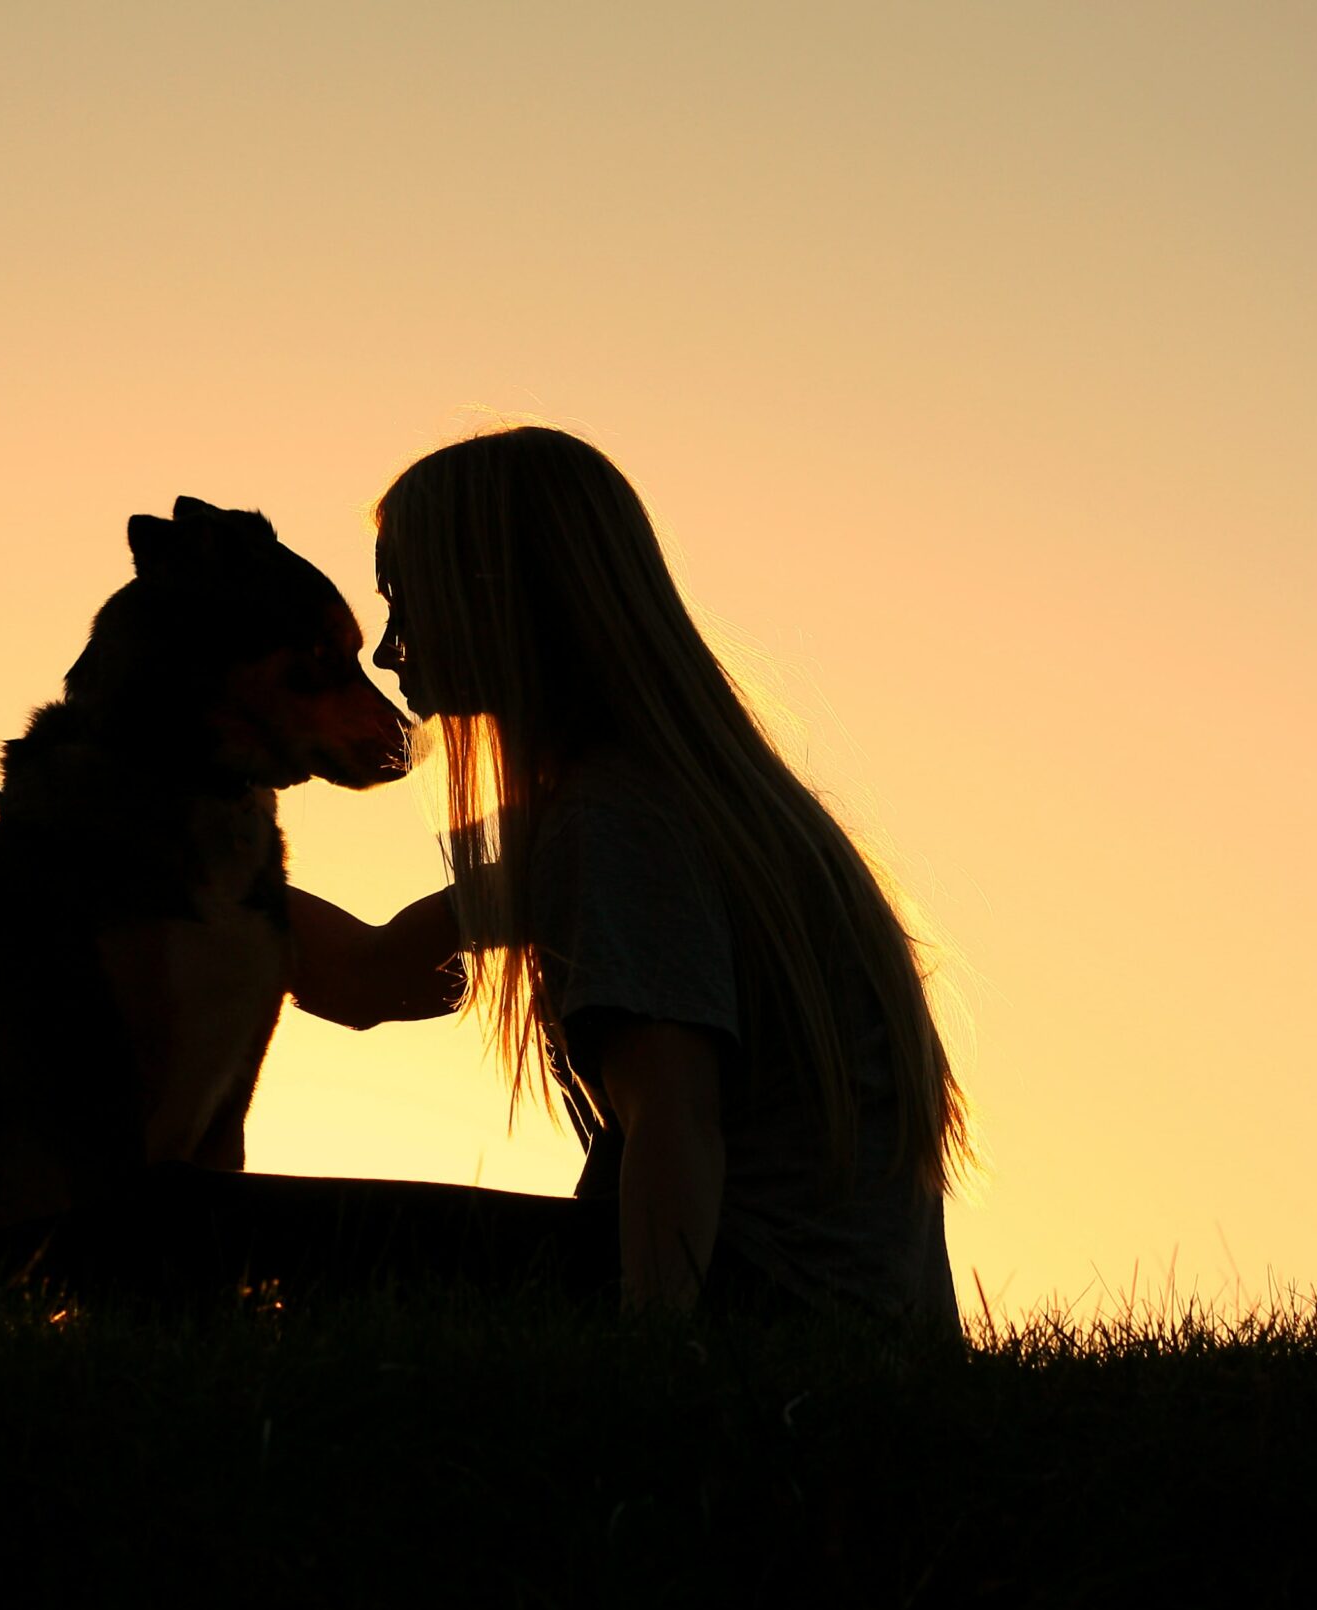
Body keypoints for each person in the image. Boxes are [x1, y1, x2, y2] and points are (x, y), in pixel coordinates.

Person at [284, 425, 972, 1324]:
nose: (389, 648)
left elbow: (675, 1120)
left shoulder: (618, 819)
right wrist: (144, 852)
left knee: (210, 1234)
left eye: (407, 599)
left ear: (503, 594)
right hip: (828, 1323)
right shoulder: (667, 798)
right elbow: (366, 974)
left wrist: (647, 1375)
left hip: (764, 1319)